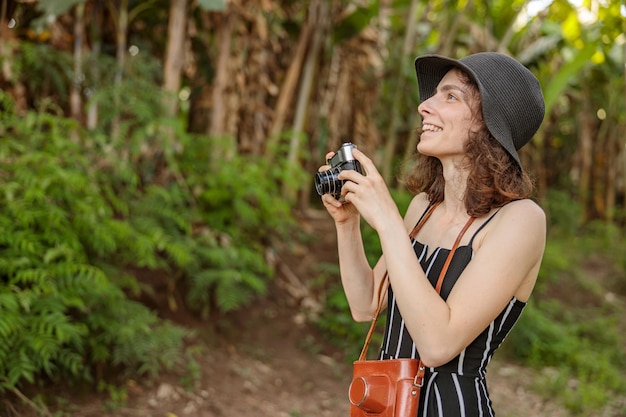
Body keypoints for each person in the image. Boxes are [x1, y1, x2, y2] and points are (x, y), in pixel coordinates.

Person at [318, 52, 546, 416]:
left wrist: (389, 220)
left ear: (488, 123)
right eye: (433, 94)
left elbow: (438, 345)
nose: (425, 106)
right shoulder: (423, 207)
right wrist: (348, 225)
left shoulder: (520, 221)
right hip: (387, 405)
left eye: (450, 96)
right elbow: (366, 306)